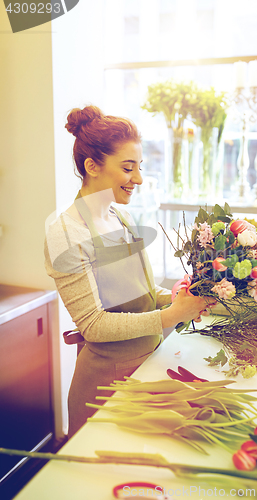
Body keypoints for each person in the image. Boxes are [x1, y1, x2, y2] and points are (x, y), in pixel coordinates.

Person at [44, 105, 215, 438]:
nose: (137, 178)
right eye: (127, 167)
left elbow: (136, 295)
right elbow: (93, 325)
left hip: (146, 364)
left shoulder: (119, 217)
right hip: (105, 384)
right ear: (92, 166)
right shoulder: (66, 233)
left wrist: (181, 298)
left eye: (139, 167)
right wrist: (171, 315)